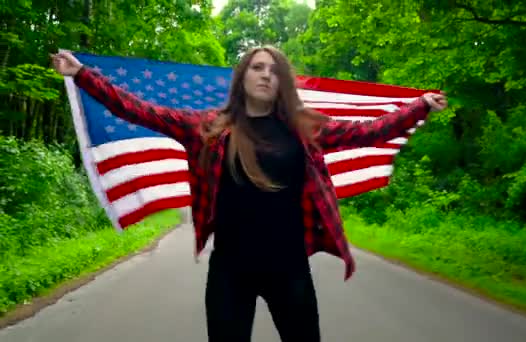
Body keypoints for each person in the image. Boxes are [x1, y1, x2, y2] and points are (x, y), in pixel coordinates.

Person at [51, 46, 448, 342]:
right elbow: (140, 110)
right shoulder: (207, 127)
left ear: (282, 83)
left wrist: (419, 107)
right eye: (257, 68)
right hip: (230, 271)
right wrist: (82, 74)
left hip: (289, 268)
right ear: (242, 77)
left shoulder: (304, 127)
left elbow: (369, 131)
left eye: (274, 71)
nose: (265, 75)